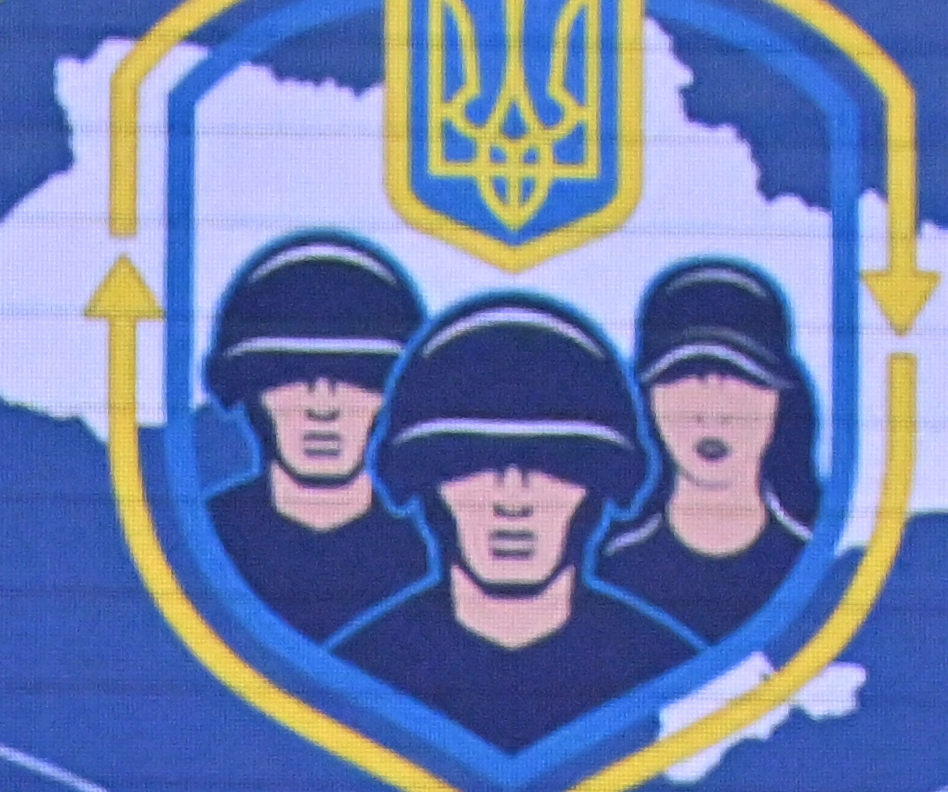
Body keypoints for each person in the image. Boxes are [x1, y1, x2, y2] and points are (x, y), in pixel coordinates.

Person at [330, 297, 710, 753]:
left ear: (597, 484)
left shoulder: (673, 677)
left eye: (550, 464)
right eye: (475, 463)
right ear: (428, 482)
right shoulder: (357, 676)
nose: (512, 498)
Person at [193, 232, 443, 648]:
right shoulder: (202, 542)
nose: (323, 404)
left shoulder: (433, 555)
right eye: (291, 373)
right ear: (245, 388)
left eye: (356, 375)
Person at [599, 255, 820, 648]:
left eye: (739, 378)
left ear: (779, 399)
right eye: (685, 377)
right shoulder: (610, 569)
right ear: (647, 399)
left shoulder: (813, 564)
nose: (711, 412)